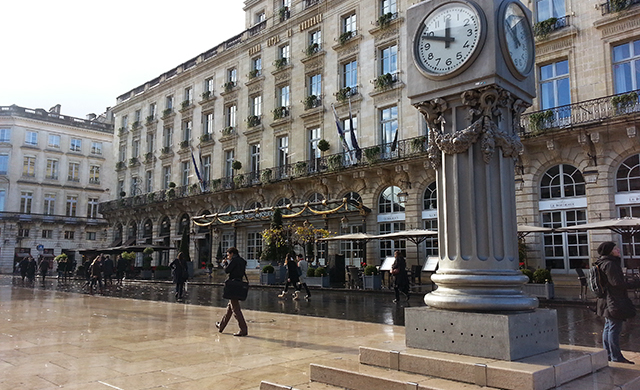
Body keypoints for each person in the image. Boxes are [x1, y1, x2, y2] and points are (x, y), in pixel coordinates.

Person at [594, 241, 636, 364]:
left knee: (608, 327)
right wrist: (634, 283)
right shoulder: (610, 264)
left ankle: (607, 354)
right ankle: (616, 357)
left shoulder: (603, 262)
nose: (618, 250)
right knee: (614, 328)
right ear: (610, 251)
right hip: (614, 300)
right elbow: (617, 283)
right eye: (615, 248)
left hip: (607, 300)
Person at [216, 247, 248, 336]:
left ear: (232, 253)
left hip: (233, 285)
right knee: (230, 308)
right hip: (239, 284)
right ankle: (221, 326)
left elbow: (227, 270)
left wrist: (225, 263)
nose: (228, 256)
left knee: (236, 309)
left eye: (228, 254)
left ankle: (243, 329)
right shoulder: (242, 261)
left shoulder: (234, 261)